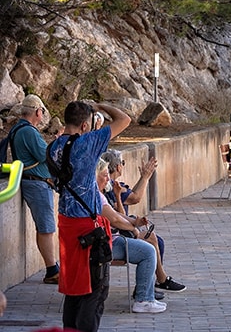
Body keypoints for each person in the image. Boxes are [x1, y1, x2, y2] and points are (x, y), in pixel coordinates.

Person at [47, 100, 131, 332]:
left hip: (66, 223)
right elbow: (124, 120)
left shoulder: (53, 147)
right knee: (95, 289)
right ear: (85, 125)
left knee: (73, 286)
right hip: (88, 226)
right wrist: (102, 105)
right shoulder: (88, 142)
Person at [100, 149, 186, 293]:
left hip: (121, 231)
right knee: (152, 244)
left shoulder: (112, 187)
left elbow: (120, 212)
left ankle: (152, 284)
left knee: (155, 240)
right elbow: (130, 203)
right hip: (116, 236)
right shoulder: (108, 188)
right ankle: (151, 287)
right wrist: (145, 177)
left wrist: (135, 223)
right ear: (118, 167)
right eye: (122, 163)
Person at [96, 158, 165, 314]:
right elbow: (114, 220)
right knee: (148, 251)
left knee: (153, 241)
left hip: (106, 241)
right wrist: (133, 228)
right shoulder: (95, 195)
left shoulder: (98, 194)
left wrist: (135, 221)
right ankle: (143, 299)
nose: (108, 179)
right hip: (104, 245)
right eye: (104, 175)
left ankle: (153, 289)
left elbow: (116, 215)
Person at [8, 94, 60, 284]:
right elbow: (44, 155)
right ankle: (52, 269)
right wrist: (57, 142)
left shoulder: (18, 129)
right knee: (46, 227)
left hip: (33, 181)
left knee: (45, 226)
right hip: (37, 183)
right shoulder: (29, 132)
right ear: (38, 112)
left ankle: (52, 267)